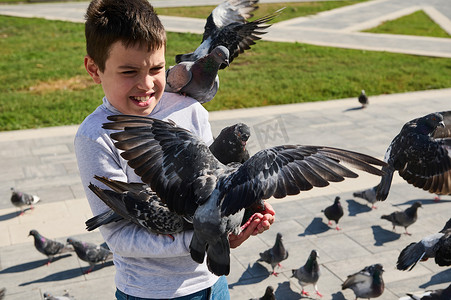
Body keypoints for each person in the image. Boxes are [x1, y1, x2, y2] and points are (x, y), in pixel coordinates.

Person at [74, 0, 275, 299]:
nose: (146, 84)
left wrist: (244, 210)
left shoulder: (189, 109)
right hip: (150, 292)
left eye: (156, 68)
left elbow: (213, 187)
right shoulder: (95, 137)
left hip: (212, 282)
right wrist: (209, 238)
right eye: (129, 71)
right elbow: (118, 237)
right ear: (94, 69)